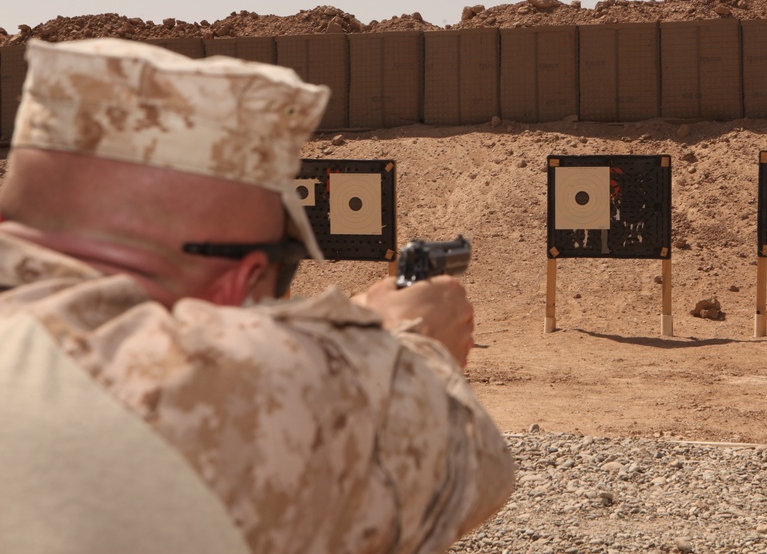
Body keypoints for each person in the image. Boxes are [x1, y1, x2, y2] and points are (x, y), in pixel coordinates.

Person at [0, 38, 514, 554]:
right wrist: (414, 340)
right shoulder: (192, 389)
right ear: (241, 279)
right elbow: (470, 459)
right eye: (281, 261)